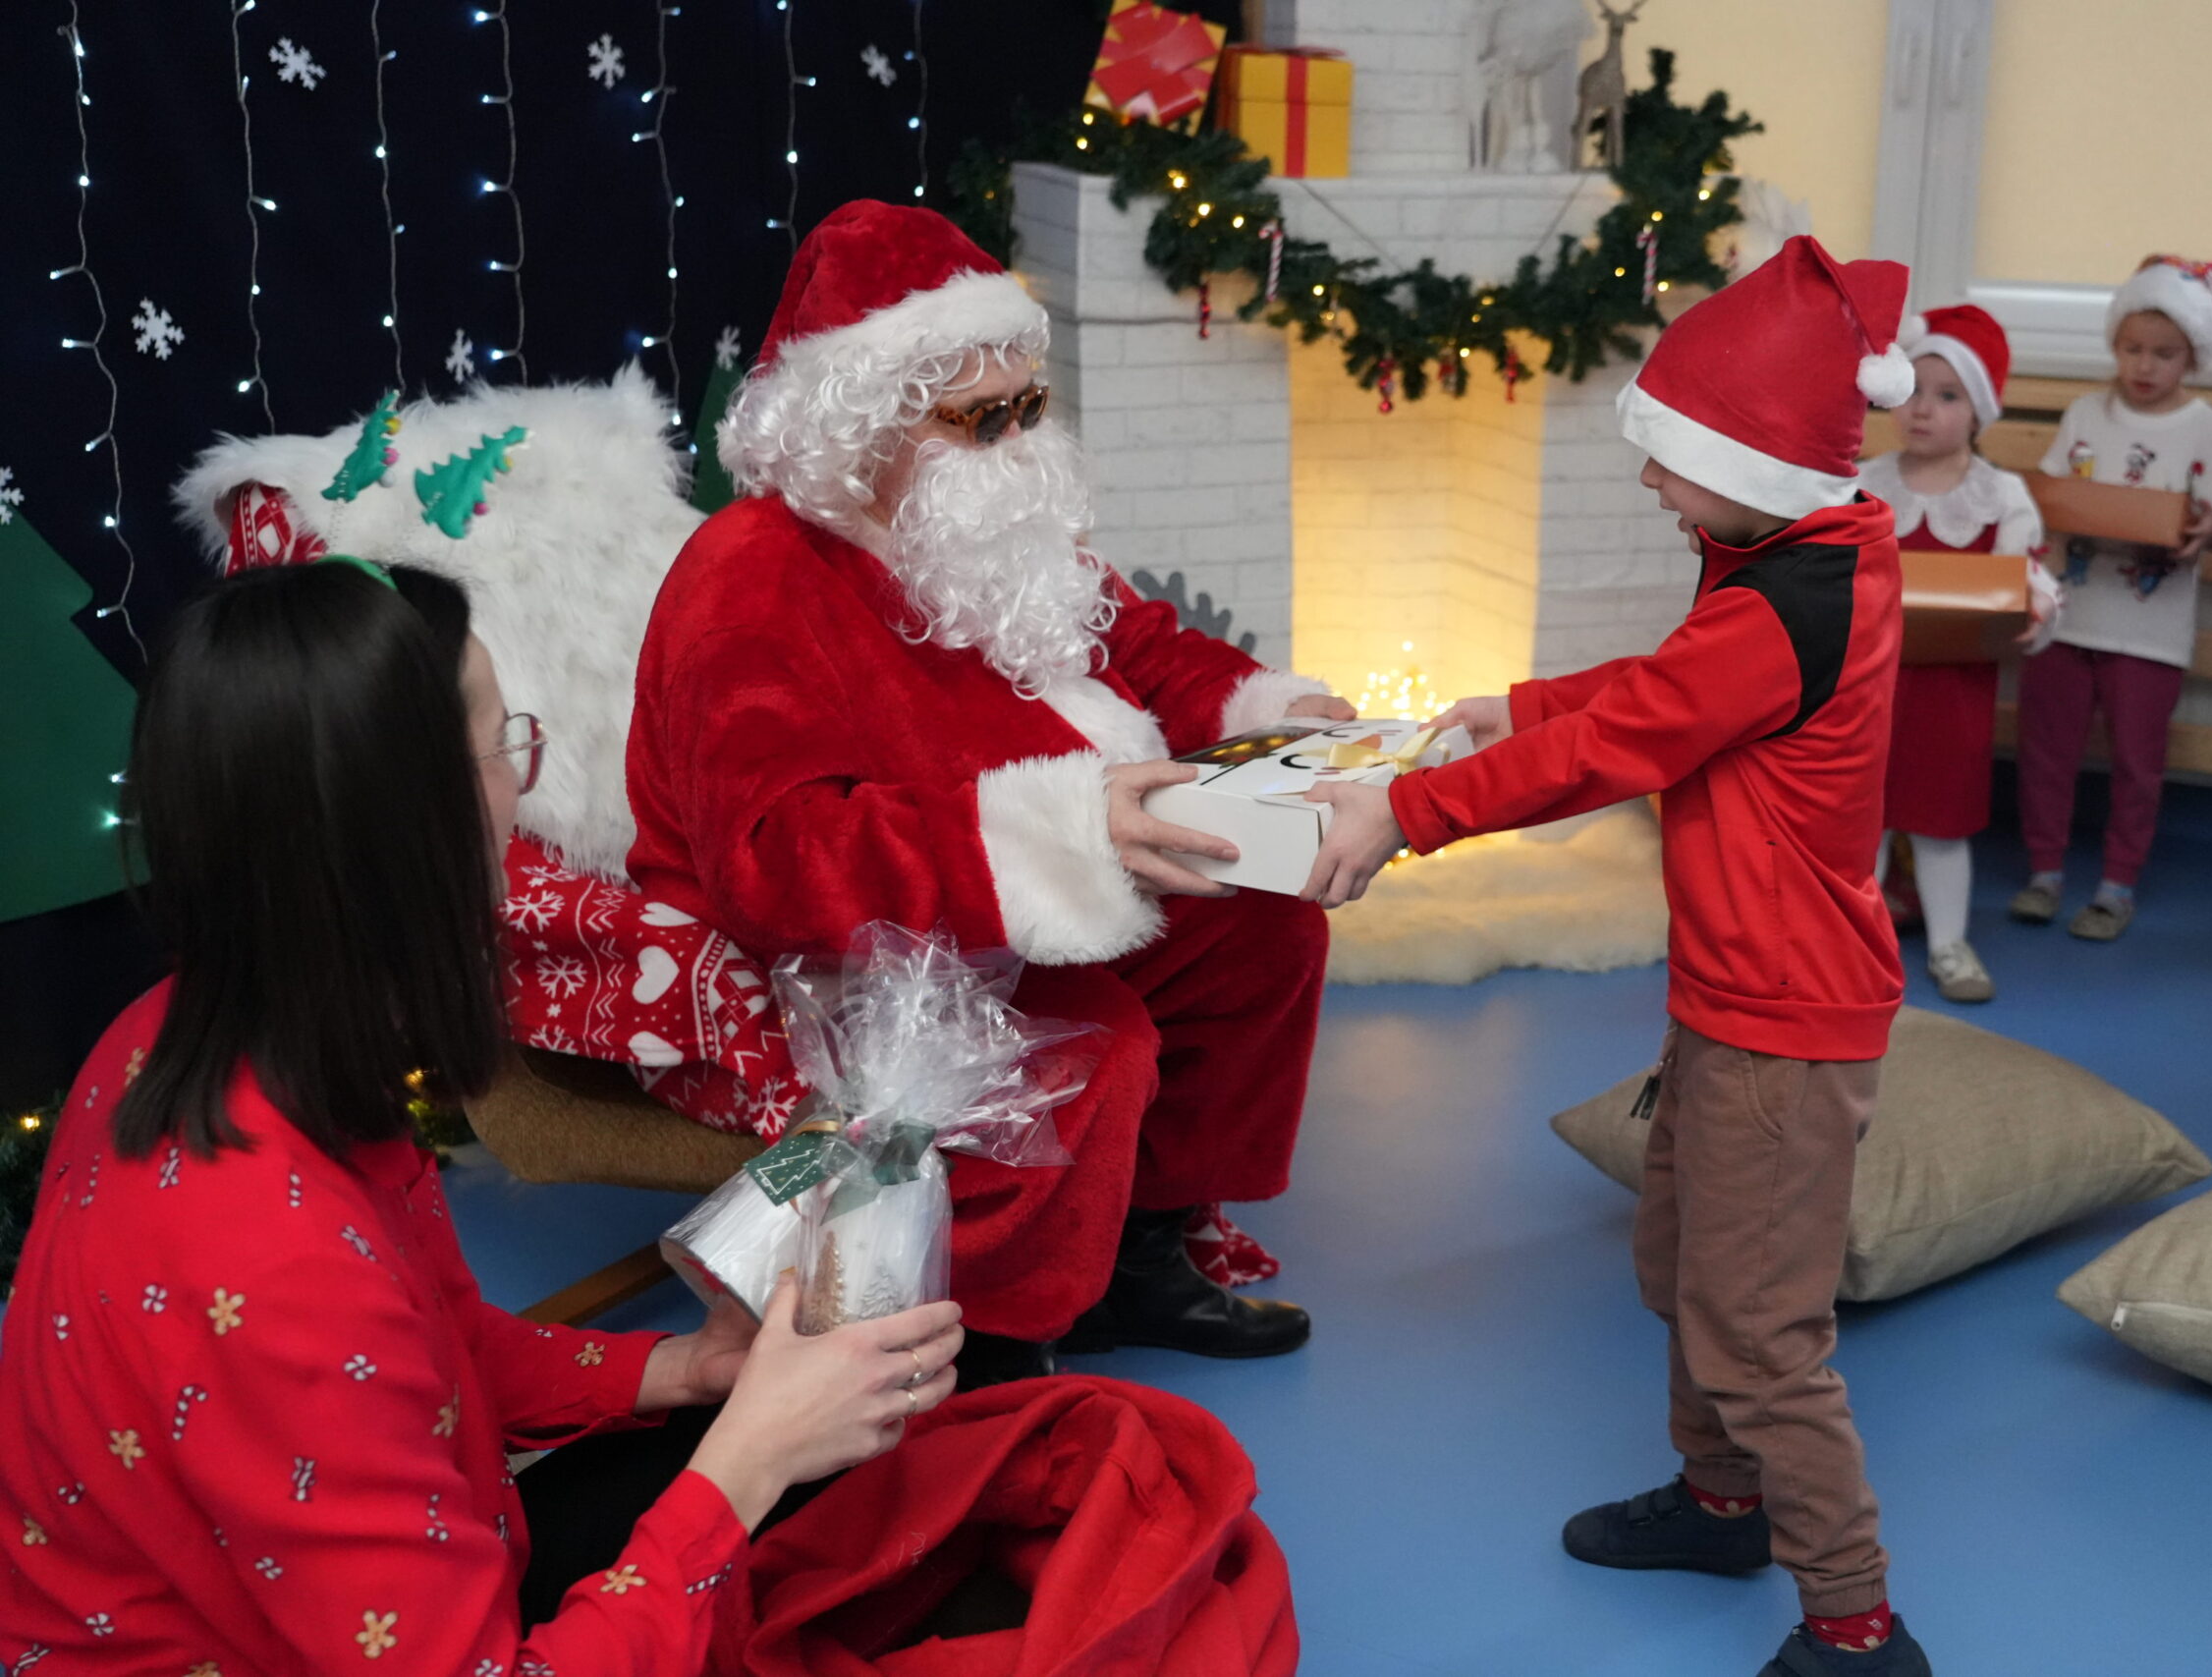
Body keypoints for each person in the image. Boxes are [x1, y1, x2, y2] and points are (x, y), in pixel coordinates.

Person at [0, 560, 966, 1669]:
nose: (520, 785)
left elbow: (428, 1342)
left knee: (901, 1454)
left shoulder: (194, 1030)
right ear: (406, 823)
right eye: (503, 742)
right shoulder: (272, 1260)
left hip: (411, 1574)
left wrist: (682, 1371)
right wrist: (747, 1464)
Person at [1304, 236, 1927, 1677]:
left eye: (1673, 454)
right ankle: (1721, 1505)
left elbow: (1631, 737)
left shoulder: (1790, 600)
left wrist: (1408, 811)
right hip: (1731, 998)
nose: (1650, 478)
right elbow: (1664, 684)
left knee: (1758, 1331)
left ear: (1761, 461)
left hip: (1782, 1025)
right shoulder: (1791, 553)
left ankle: (1857, 1625)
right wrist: (1519, 703)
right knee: (1682, 1266)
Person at [629, 201, 1340, 1383]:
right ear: (863, 422)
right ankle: (981, 1345)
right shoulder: (750, 576)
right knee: (1090, 1048)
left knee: (1259, 929)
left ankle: (1139, 1256)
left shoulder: (985, 522)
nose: (1018, 440)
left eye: (1030, 406)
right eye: (982, 417)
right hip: (822, 957)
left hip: (1006, 905)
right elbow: (776, 857)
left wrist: (1274, 713)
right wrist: (1059, 834)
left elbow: (1140, 648)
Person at [2011, 255, 2212, 941]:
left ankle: (2117, 884)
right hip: (2067, 617)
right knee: (2045, 751)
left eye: (2164, 354)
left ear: (2192, 356)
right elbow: (2052, 492)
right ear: (2115, 345)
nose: (2145, 366)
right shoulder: (2086, 411)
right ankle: (2044, 872)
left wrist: (2207, 531)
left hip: (2150, 631)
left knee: (2137, 764)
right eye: (2132, 348)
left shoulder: (2208, 428)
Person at [1861, 305, 2056, 1002]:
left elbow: (2027, 578)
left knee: (1941, 824)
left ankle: (1949, 943)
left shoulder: (2000, 495)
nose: (1923, 409)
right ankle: (1854, 946)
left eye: (1947, 395)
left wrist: (2034, 608)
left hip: (1951, 693)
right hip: (1866, 689)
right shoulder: (1864, 483)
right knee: (1862, 818)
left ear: (1979, 412)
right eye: (1913, 390)